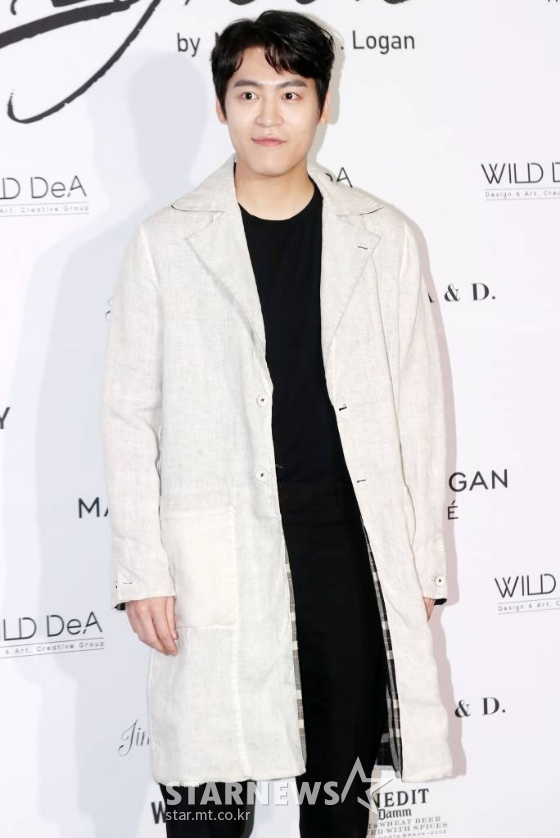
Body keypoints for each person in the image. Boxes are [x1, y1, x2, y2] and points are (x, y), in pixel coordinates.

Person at [100, 9, 452, 838]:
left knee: (338, 803)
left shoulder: (384, 237)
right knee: (207, 805)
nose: (269, 115)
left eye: (291, 93)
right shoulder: (164, 243)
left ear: (324, 105)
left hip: (347, 552)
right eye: (249, 92)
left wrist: (421, 563)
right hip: (216, 551)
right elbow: (127, 416)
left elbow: (419, 408)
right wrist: (143, 570)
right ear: (221, 104)